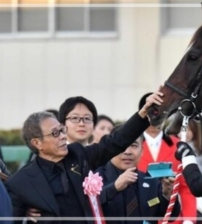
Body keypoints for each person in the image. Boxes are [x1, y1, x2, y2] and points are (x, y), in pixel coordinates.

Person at [5, 92, 163, 224]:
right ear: (37, 143)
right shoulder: (20, 183)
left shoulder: (79, 155)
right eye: (55, 133)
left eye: (61, 130)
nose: (62, 136)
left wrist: (142, 115)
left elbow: (115, 142)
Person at [95, 125, 180, 224]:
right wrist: (114, 188)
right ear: (111, 148)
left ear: (142, 151)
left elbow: (171, 217)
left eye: (134, 146)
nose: (127, 152)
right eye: (122, 146)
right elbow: (84, 207)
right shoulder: (95, 178)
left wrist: (168, 195)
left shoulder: (151, 181)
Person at [137, 93, 197, 224]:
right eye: (150, 111)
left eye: (159, 111)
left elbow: (187, 188)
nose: (155, 116)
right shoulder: (130, 148)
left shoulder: (179, 147)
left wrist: (189, 220)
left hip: (172, 219)